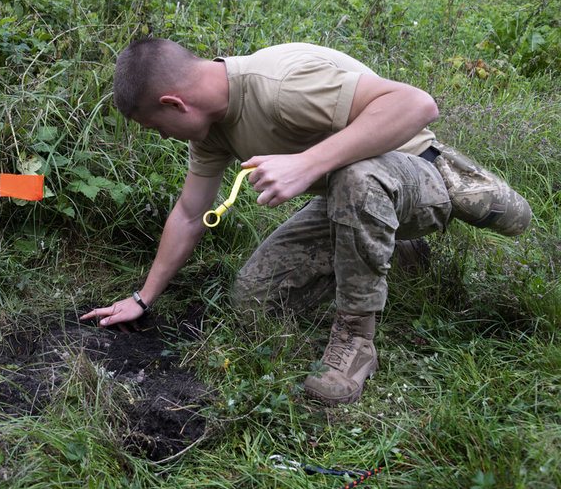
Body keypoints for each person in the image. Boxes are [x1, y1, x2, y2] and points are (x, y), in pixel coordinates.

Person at [80, 39, 531, 405]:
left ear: (174, 103)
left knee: (359, 176)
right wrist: (143, 297)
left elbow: (416, 104)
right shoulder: (211, 128)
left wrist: (309, 163)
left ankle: (356, 339)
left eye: (157, 126)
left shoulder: (280, 82)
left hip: (413, 175)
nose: (163, 136)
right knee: (254, 299)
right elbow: (189, 212)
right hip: (348, 196)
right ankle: (396, 249)